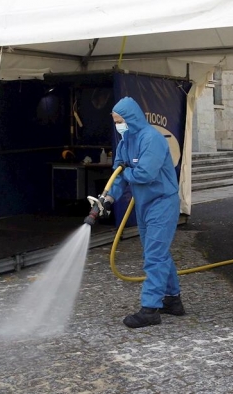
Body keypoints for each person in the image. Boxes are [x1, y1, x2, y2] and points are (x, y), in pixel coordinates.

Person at [90, 97, 185, 328]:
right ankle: (172, 300)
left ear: (131, 118)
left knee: (155, 255)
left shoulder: (151, 139)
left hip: (162, 203)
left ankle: (150, 309)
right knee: (157, 252)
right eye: (115, 121)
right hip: (144, 204)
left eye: (119, 121)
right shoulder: (126, 140)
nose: (117, 125)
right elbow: (118, 173)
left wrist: (126, 173)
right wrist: (107, 199)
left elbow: (145, 174)